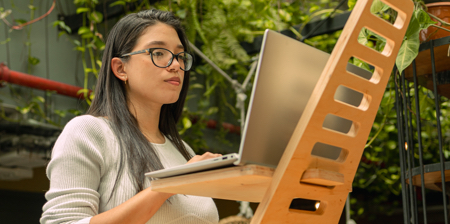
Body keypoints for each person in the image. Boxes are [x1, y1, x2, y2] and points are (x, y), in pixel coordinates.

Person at [41, 9, 222, 224]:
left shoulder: (183, 151)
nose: (175, 65)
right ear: (120, 68)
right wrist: (169, 185)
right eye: (158, 53)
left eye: (180, 56)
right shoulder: (88, 132)